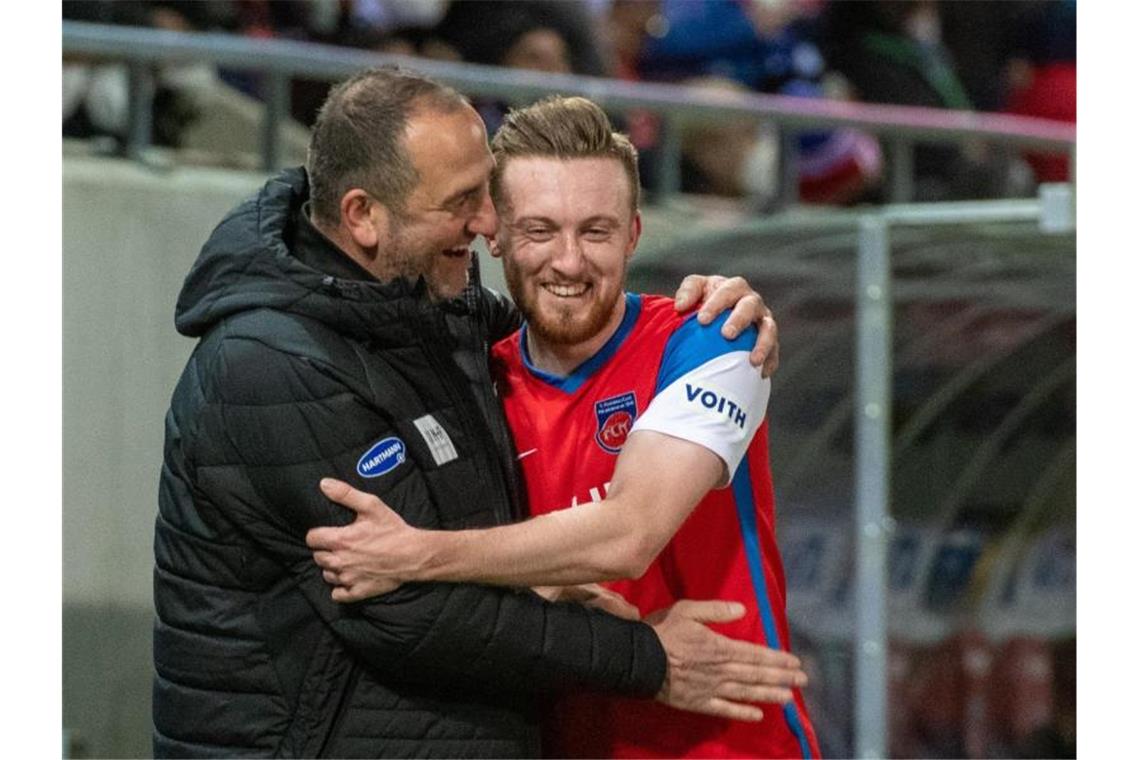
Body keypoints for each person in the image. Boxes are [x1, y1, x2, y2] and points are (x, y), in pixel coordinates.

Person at [153, 66, 799, 758]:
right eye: (532, 226)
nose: (567, 259)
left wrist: (423, 555)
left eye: (598, 230)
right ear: (363, 215)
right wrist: (641, 652)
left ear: (635, 234)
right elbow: (407, 614)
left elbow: (627, 532)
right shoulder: (275, 367)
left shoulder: (707, 337)